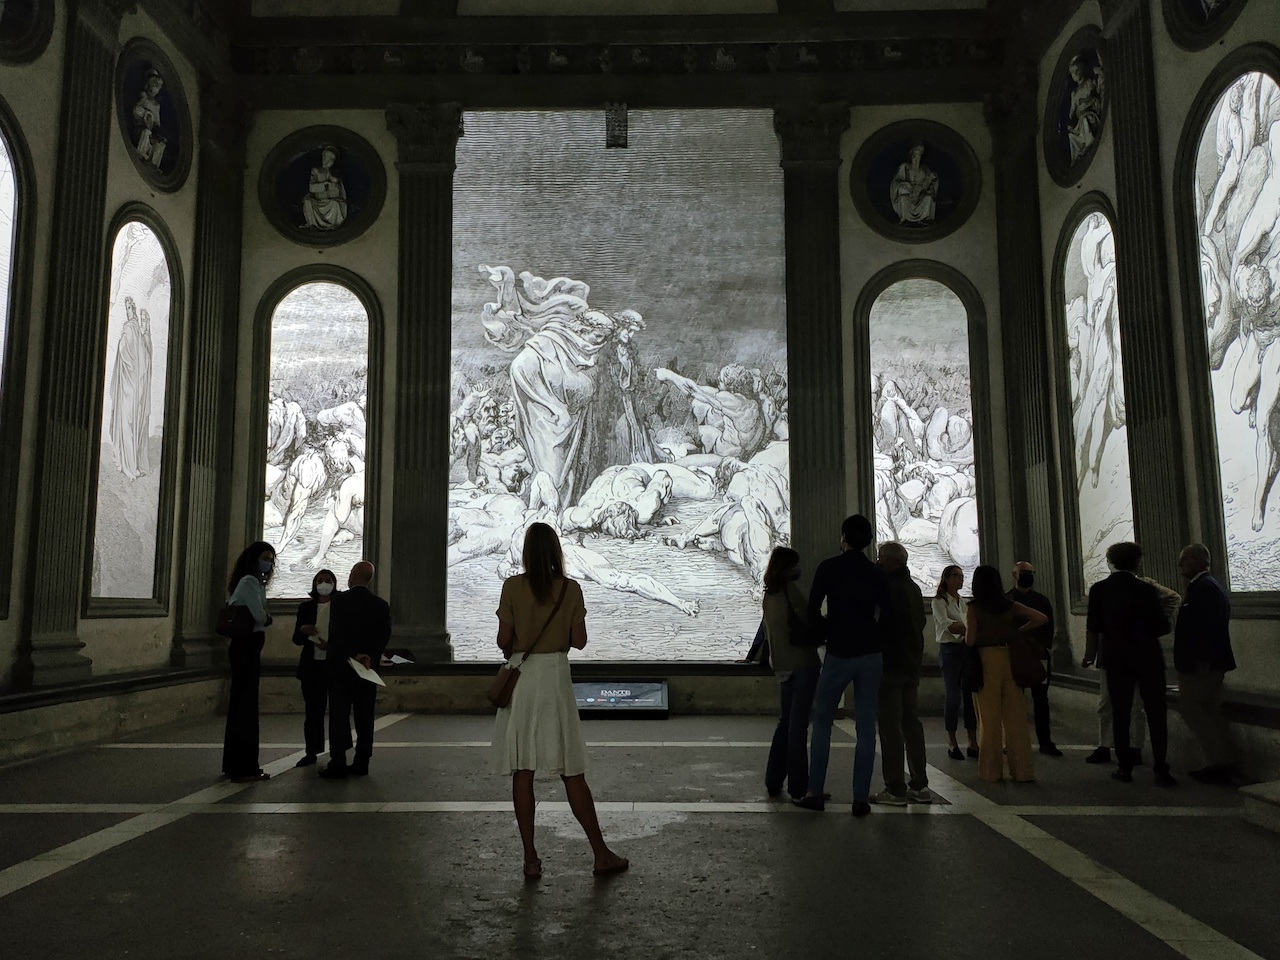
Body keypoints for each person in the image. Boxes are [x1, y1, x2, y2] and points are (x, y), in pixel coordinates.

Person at [491, 522, 628, 880]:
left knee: (523, 770)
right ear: (556, 551)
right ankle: (600, 853)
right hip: (554, 677)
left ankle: (531, 858)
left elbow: (503, 637)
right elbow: (579, 641)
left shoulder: (511, 587)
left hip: (523, 677)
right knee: (571, 769)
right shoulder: (570, 589)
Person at [794, 515, 890, 817]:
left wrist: (829, 629)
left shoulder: (829, 568)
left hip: (838, 653)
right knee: (865, 726)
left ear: (843, 537)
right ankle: (860, 797)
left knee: (822, 721)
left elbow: (811, 610)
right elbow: (886, 615)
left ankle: (815, 791)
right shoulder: (877, 573)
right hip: (870, 654)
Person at [1084, 542, 1176, 787]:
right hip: (1148, 656)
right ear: (1137, 562)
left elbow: (1093, 626)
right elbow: (1161, 626)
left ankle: (1124, 767)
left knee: (1120, 712)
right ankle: (1160, 766)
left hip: (1115, 657)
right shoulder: (1145, 589)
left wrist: (1089, 654)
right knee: (1156, 712)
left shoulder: (1099, 590)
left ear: (1110, 562)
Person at [965, 565, 1047, 784]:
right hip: (1010, 658)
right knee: (1016, 717)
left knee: (989, 719)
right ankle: (1022, 771)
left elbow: (970, 640)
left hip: (986, 660)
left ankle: (991, 771)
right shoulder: (1010, 605)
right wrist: (1016, 632)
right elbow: (1040, 618)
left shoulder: (974, 607)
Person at [1175, 543, 1240, 785]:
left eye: (1187, 559)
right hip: (1206, 663)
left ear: (1202, 561)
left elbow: (1208, 630)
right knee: (1210, 713)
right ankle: (1223, 762)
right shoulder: (1204, 587)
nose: (1181, 564)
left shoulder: (1205, 588)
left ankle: (1219, 763)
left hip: (1202, 666)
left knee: (1195, 711)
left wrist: (1202, 661)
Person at [761, 547, 822, 801]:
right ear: (786, 567)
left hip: (782, 665)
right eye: (794, 566)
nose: (798, 570)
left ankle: (774, 779)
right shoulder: (790, 591)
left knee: (785, 722)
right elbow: (810, 619)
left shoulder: (769, 594)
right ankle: (799, 789)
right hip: (802, 663)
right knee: (798, 727)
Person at [320, 561, 391, 779]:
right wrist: (369, 656)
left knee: (339, 715)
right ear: (370, 578)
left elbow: (336, 634)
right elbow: (384, 636)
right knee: (365, 716)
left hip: (341, 667)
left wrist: (353, 654)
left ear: (352, 576)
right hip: (368, 669)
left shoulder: (339, 601)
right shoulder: (381, 605)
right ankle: (362, 762)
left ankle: (338, 761)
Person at [872, 542, 930, 805]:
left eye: (881, 558)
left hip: (891, 665)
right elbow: (919, 623)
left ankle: (895, 787)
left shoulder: (888, 589)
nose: (878, 562)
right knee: (911, 723)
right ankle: (920, 785)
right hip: (911, 664)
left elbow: (885, 627)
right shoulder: (914, 588)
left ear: (891, 561)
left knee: (890, 727)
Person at [223, 542, 276, 784]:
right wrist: (268, 617)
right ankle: (245, 768)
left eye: (271, 559)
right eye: (266, 557)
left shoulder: (244, 582)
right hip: (248, 646)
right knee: (246, 706)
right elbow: (260, 615)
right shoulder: (251, 582)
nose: (269, 563)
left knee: (239, 705)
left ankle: (234, 764)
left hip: (241, 647)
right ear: (254, 558)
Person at [1008, 561, 1062, 757]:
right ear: (1014, 574)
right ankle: (1014, 741)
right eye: (1023, 572)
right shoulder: (1008, 599)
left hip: (1038, 654)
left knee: (1041, 700)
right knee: (1014, 700)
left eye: (1030, 572)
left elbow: (1049, 626)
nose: (1027, 575)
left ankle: (1045, 741)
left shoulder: (1042, 600)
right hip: (1015, 655)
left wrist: (1043, 647)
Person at [291, 568, 337, 768]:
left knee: (337, 711)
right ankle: (311, 751)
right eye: (320, 580)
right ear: (314, 584)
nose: (324, 584)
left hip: (333, 664)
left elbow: (346, 634)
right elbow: (296, 639)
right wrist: (304, 630)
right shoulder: (306, 608)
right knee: (313, 712)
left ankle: (338, 752)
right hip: (311, 666)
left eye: (328, 580)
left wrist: (332, 644)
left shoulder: (339, 606)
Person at [932, 565, 978, 761]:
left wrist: (964, 627)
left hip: (966, 649)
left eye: (962, 576)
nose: (960, 580)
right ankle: (952, 741)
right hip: (950, 650)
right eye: (956, 576)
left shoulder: (964, 602)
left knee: (969, 695)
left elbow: (965, 625)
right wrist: (966, 627)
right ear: (947, 579)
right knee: (953, 697)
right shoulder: (938, 601)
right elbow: (947, 626)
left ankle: (972, 740)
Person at [108, 296, 154, 481]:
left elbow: (144, 359)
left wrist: (145, 332)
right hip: (128, 388)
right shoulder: (129, 329)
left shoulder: (137, 333)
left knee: (135, 422)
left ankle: (132, 463)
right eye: (128, 307)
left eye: (131, 307)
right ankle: (127, 463)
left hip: (136, 389)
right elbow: (124, 352)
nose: (130, 310)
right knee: (127, 422)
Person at [302, 146, 347, 230]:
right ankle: (312, 224)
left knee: (336, 204)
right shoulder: (316, 171)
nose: (324, 159)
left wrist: (330, 172)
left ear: (332, 160)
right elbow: (312, 188)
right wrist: (326, 185)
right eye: (323, 156)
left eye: (327, 157)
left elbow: (338, 192)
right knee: (307, 201)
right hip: (317, 200)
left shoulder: (335, 173)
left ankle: (333, 225)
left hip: (330, 201)